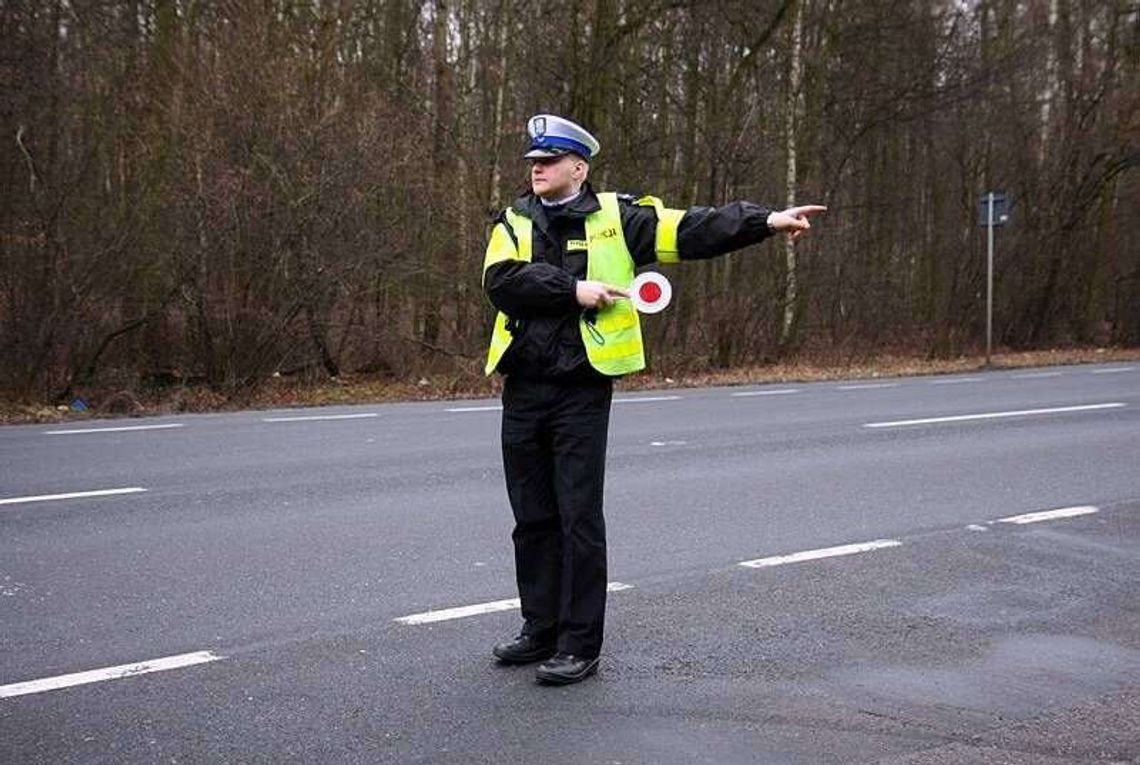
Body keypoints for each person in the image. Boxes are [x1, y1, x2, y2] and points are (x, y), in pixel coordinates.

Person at [482, 114, 826, 685]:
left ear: (578, 168)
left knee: (578, 519)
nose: (536, 169)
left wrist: (765, 221)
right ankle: (538, 627)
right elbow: (501, 282)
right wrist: (573, 290)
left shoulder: (620, 217)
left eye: (547, 161)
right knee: (532, 518)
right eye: (533, 162)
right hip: (524, 386)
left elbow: (694, 229)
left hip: (582, 389)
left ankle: (578, 644)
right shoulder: (515, 219)